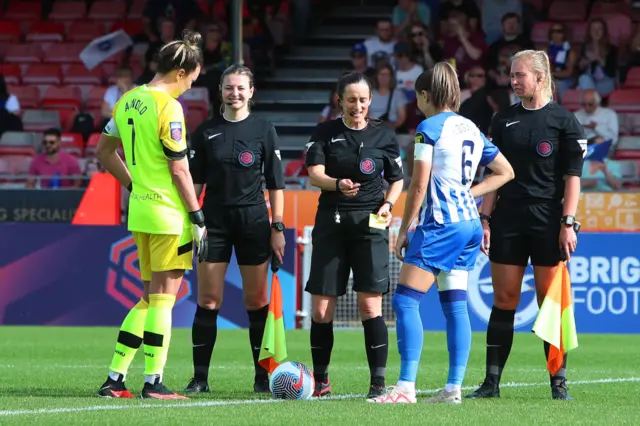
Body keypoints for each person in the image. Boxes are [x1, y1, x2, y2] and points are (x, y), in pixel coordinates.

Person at [370, 62, 514, 405]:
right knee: (455, 306)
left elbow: (418, 185)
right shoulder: (472, 129)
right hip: (468, 225)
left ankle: (405, 388)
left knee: (405, 300)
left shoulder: (428, 128)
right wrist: (469, 194)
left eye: (418, 97)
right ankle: (453, 388)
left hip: (441, 224)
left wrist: (404, 229)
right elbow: (505, 172)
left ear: (424, 94)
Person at [466, 49, 586, 401]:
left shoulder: (565, 122)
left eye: (520, 75)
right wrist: (485, 219)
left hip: (548, 221)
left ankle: (558, 383)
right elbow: (494, 174)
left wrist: (568, 222)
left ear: (540, 77)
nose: (514, 81)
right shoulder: (503, 120)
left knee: (551, 303)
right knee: (504, 300)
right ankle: (491, 383)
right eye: (511, 75)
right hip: (508, 220)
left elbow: (572, 178)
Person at [95, 30, 208, 400]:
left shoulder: (128, 100)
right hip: (168, 215)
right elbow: (179, 170)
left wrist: (133, 185)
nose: (190, 87)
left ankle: (114, 378)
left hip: (141, 210)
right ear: (180, 72)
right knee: (164, 299)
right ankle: (154, 382)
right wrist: (197, 215)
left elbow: (104, 152)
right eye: (191, 79)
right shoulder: (169, 107)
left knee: (146, 297)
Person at [184, 65, 286, 395]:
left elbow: (276, 185)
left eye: (241, 88)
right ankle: (200, 379)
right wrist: (191, 220)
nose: (235, 93)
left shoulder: (264, 129)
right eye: (229, 88)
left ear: (251, 91)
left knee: (256, 301)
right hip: (213, 223)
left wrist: (278, 227)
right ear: (221, 92)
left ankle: (261, 378)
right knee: (208, 300)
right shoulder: (205, 131)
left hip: (254, 222)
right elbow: (194, 183)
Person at [304, 71, 405, 399]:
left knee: (369, 306)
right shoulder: (325, 132)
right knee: (320, 310)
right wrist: (337, 184)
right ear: (340, 100)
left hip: (371, 226)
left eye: (363, 99)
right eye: (351, 99)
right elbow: (314, 174)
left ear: (370, 100)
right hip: (331, 224)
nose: (357, 105)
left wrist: (389, 204)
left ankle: (377, 384)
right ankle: (321, 381)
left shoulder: (385, 136)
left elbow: (397, 178)